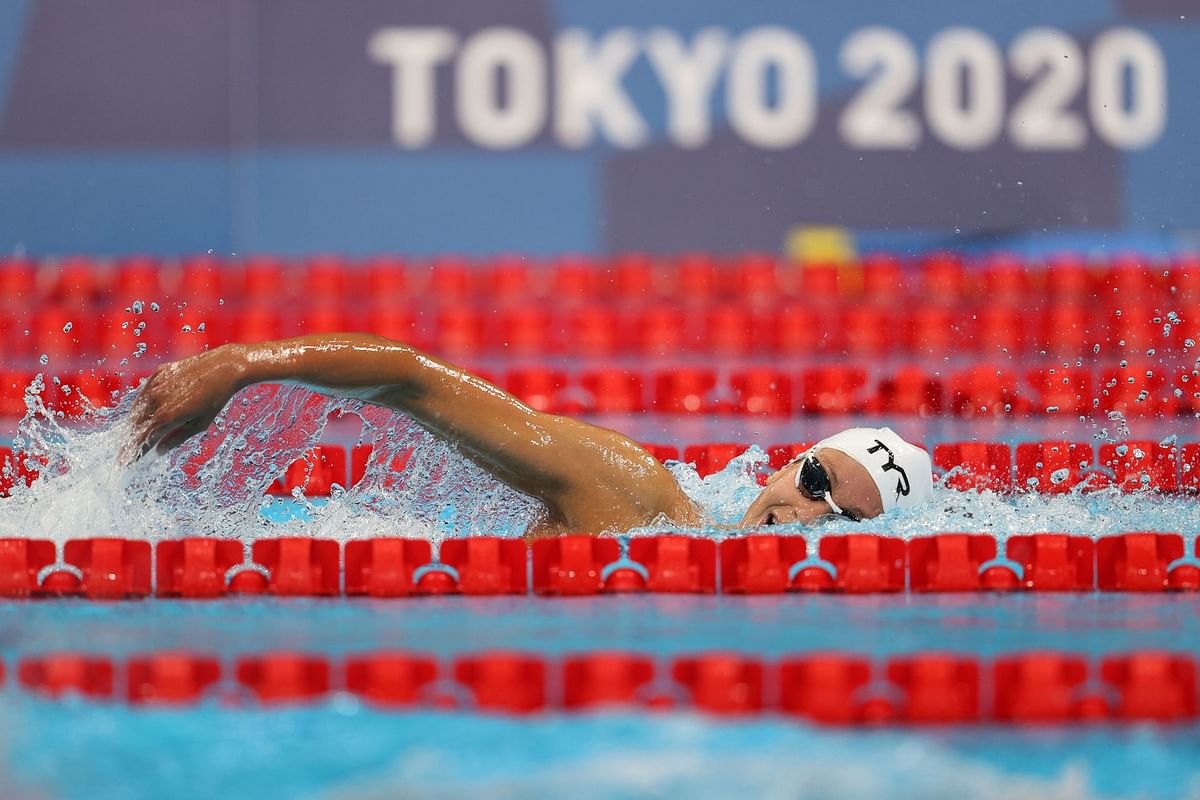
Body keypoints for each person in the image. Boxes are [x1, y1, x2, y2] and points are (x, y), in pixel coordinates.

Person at [128, 334, 933, 536]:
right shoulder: (634, 499)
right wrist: (242, 363)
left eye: (843, 522)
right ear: (787, 468)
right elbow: (415, 379)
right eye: (816, 482)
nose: (807, 515)